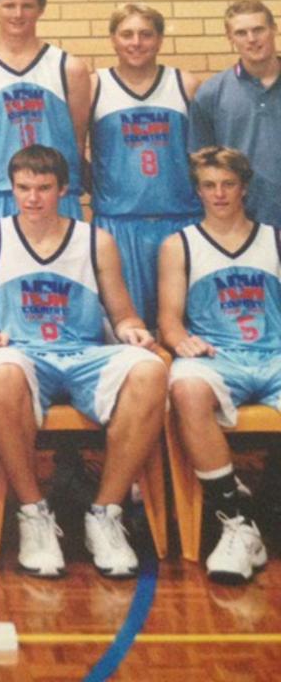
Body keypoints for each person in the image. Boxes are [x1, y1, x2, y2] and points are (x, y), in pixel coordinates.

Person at [0, 145, 166, 579]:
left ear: (62, 190)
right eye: (23, 188)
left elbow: (123, 313)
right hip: (24, 354)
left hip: (84, 355)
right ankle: (34, 513)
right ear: (12, 188)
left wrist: (134, 328)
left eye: (43, 188)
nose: (32, 198)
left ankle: (106, 512)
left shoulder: (95, 240)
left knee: (150, 369)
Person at [159, 146, 275, 584]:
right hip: (217, 357)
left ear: (244, 187)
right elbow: (169, 320)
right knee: (185, 387)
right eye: (209, 185)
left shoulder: (274, 239)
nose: (219, 193)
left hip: (274, 356)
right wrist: (179, 341)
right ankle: (236, 521)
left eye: (228, 184)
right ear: (198, 191)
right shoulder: (180, 245)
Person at [0, 0, 91, 298]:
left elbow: (76, 138)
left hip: (55, 198)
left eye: (27, 5)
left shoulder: (68, 67)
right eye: (8, 4)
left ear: (41, 9)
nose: (17, 14)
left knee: (61, 294)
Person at [90, 3, 202, 329]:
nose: (136, 42)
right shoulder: (96, 85)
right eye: (127, 34)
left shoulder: (185, 84)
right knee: (129, 327)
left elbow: (203, 156)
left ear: (160, 39)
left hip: (180, 220)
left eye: (145, 34)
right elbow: (76, 151)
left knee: (184, 326)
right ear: (113, 39)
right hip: (119, 224)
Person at [189, 0, 281, 227]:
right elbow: (202, 165)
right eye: (241, 32)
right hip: (244, 226)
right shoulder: (211, 93)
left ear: (274, 29)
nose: (251, 39)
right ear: (230, 38)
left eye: (258, 29)